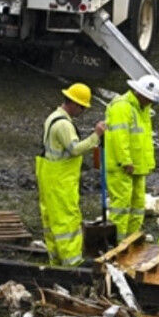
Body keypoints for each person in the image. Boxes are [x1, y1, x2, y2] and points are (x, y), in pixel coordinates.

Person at [35, 83, 105, 267]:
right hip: (61, 180)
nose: (82, 112)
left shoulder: (53, 117)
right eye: (82, 107)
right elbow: (75, 149)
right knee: (67, 220)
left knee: (52, 220)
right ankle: (72, 263)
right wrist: (96, 135)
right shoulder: (64, 125)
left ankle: (56, 259)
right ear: (74, 103)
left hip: (50, 175)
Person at [104, 75, 159, 241]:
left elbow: (144, 138)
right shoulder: (122, 107)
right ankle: (117, 243)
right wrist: (125, 161)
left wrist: (147, 163)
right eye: (149, 98)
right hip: (121, 167)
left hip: (137, 166)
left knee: (137, 206)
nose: (150, 101)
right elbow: (119, 137)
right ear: (139, 93)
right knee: (121, 207)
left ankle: (131, 240)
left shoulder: (142, 108)